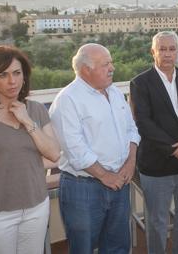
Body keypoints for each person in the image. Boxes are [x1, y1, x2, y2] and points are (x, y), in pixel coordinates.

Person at [49, 43, 140, 254]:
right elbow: (76, 150)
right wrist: (106, 176)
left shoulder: (115, 93)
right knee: (83, 248)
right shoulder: (67, 100)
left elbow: (131, 130)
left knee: (117, 246)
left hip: (119, 182)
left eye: (111, 62)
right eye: (105, 64)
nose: (112, 68)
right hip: (84, 189)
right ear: (85, 70)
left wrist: (130, 163)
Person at [130, 31, 178, 254]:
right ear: (153, 52)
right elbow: (144, 123)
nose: (168, 54)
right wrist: (174, 148)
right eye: (162, 49)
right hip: (157, 165)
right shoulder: (140, 83)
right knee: (157, 223)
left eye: (172, 49)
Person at [0, 45, 60, 254]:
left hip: (36, 206)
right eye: (3, 74)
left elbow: (54, 154)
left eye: (17, 73)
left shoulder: (36, 110)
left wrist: (27, 121)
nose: (12, 81)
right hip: (0, 213)